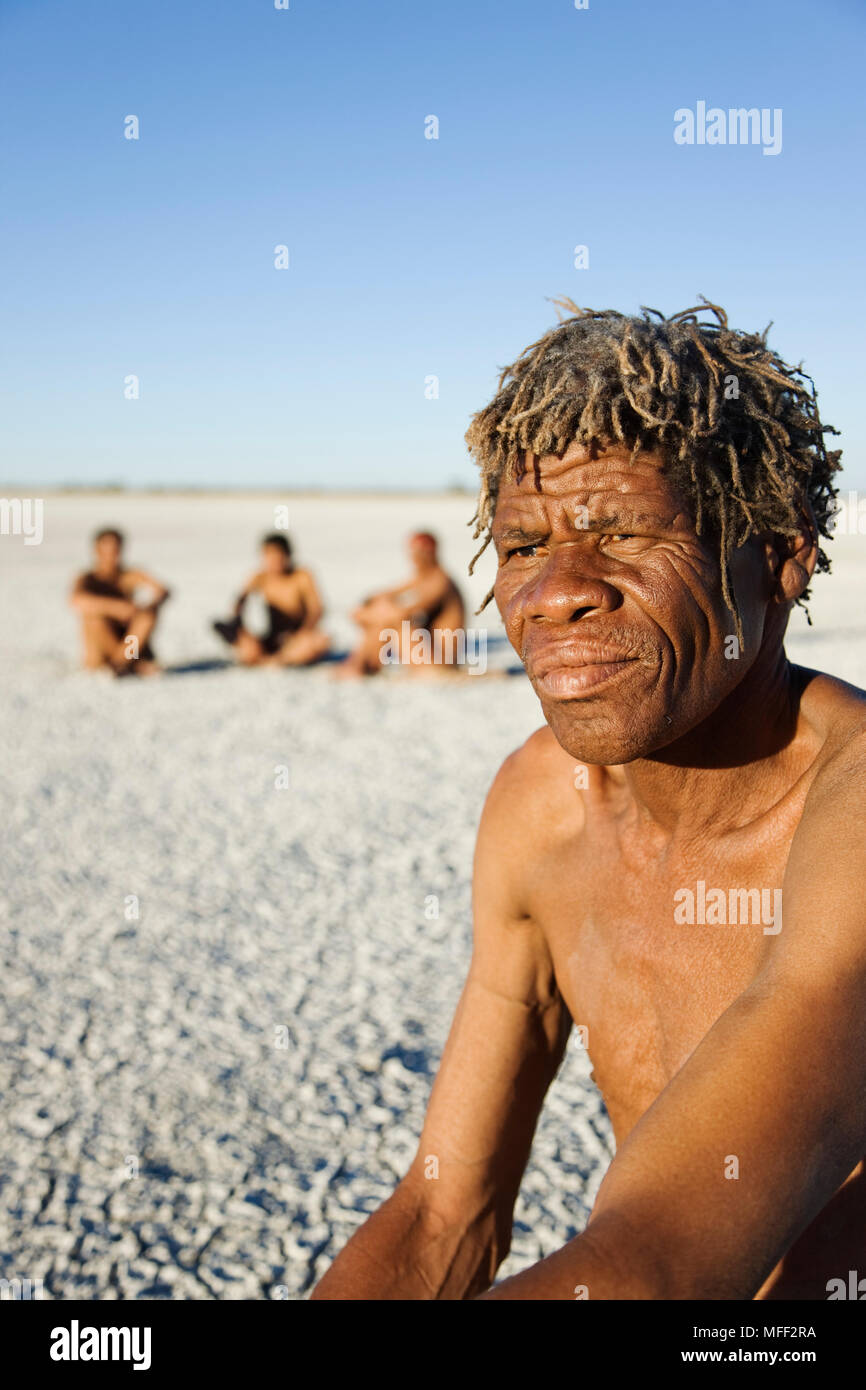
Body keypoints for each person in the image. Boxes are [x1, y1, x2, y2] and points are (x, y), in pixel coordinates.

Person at [311, 299, 866, 1301]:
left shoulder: (853, 804)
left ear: (779, 551)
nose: (554, 591)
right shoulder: (542, 806)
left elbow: (657, 1264)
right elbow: (444, 1214)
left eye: (620, 535)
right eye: (523, 546)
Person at [337, 531, 465, 677]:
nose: (412, 558)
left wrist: (367, 615)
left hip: (440, 663)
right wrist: (370, 606)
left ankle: (360, 664)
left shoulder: (440, 581)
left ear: (428, 553)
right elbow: (387, 593)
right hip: (430, 657)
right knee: (383, 615)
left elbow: (404, 614)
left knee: (393, 624)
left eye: (416, 553)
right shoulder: (423, 577)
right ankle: (361, 664)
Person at [212, 533, 330, 667]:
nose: (273, 562)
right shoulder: (260, 576)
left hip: (296, 635)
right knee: (246, 648)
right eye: (269, 557)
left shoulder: (302, 576)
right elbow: (239, 602)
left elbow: (317, 609)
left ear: (288, 555)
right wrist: (241, 630)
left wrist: (302, 632)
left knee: (319, 642)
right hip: (272, 637)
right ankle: (275, 659)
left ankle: (274, 660)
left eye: (278, 557)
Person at [70, 527, 170, 675]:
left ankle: (121, 663)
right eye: (107, 550)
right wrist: (116, 608)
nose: (111, 555)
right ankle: (127, 664)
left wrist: (150, 605)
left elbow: (162, 590)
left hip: (130, 649)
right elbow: (77, 601)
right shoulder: (88, 579)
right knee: (94, 618)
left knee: (147, 616)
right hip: (100, 654)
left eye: (116, 550)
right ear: (97, 550)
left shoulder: (129, 575)